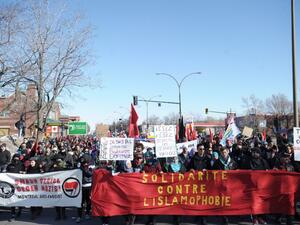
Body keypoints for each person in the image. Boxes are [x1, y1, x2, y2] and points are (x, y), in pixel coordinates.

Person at [212, 147, 238, 225]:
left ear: (228, 152)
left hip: (230, 184)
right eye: (223, 152)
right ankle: (224, 215)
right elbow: (213, 171)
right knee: (222, 199)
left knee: (230, 198)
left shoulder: (233, 162)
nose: (224, 153)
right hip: (221, 184)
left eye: (225, 152)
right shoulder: (217, 162)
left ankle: (230, 213)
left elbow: (237, 171)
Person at [6, 154, 25, 220]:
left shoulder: (21, 165)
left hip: (19, 184)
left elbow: (24, 173)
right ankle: (13, 213)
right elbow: (6, 173)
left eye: (17, 158)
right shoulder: (9, 165)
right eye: (15, 158)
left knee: (19, 198)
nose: (16, 159)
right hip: (11, 185)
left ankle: (19, 210)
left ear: (19, 158)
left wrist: (22, 173)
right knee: (12, 198)